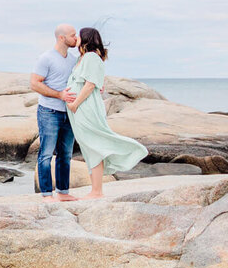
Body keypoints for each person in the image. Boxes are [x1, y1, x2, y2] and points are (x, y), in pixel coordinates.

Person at [64, 27, 147, 199]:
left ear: (86, 38)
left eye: (79, 35)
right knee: (89, 146)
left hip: (84, 108)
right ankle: (95, 190)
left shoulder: (91, 57)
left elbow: (90, 85)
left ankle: (97, 191)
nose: (76, 38)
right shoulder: (83, 58)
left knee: (94, 144)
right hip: (79, 109)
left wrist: (75, 105)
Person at [30, 24, 80, 201]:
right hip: (49, 111)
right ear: (61, 38)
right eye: (73, 35)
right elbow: (34, 83)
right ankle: (46, 194)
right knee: (46, 153)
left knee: (65, 154)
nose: (76, 38)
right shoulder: (46, 58)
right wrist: (59, 94)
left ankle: (63, 192)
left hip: (68, 113)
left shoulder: (73, 59)